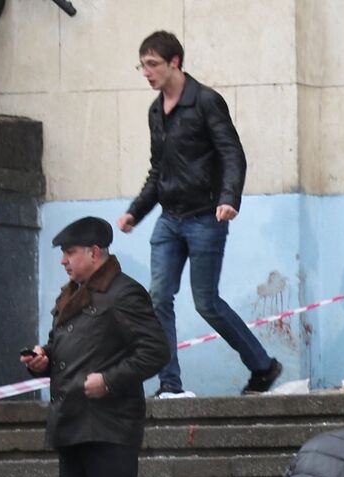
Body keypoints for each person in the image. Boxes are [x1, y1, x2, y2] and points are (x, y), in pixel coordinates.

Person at [18, 216, 171, 477]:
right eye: (64, 255)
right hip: (72, 422)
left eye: (70, 253)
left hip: (109, 423)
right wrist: (44, 359)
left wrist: (111, 380)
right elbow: (71, 349)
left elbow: (155, 351)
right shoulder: (73, 295)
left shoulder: (123, 294)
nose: (64, 262)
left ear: (94, 253)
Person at [116, 30, 283, 398]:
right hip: (168, 219)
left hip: (207, 217)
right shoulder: (156, 111)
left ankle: (263, 366)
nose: (146, 72)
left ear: (174, 62)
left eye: (152, 64)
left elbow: (231, 154)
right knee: (158, 298)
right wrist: (135, 212)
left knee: (206, 303)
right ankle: (170, 384)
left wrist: (229, 198)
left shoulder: (206, 101)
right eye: (142, 65)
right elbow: (157, 170)